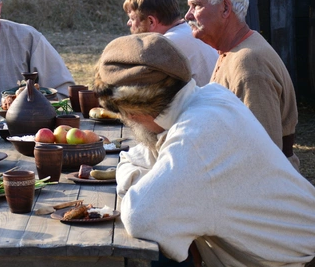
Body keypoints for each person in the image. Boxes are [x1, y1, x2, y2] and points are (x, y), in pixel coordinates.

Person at [92, 33, 315, 267]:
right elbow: (138, 156)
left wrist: (131, 178)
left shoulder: (194, 136)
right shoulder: (211, 97)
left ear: (134, 111)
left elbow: (140, 217)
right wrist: (139, 175)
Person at [186, 0, 299, 169]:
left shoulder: (249, 64)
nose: (187, 15)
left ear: (225, 8)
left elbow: (262, 157)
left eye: (196, 6)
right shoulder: (233, 50)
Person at [123, 0, 217, 87]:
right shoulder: (190, 32)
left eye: (132, 18)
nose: (128, 23)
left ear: (151, 22)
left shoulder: (165, 45)